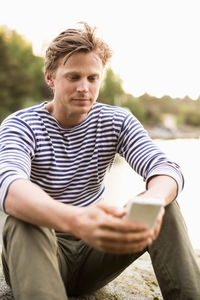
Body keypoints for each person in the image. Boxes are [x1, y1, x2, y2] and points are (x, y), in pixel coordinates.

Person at [0, 22, 199, 300]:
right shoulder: (21, 125)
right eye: (73, 77)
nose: (84, 88)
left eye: (92, 78)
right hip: (38, 253)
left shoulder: (117, 120)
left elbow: (165, 168)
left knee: (162, 205)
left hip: (92, 255)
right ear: (50, 77)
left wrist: (151, 200)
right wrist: (78, 220)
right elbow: (10, 188)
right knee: (22, 221)